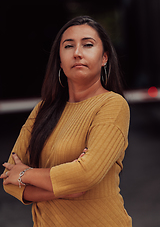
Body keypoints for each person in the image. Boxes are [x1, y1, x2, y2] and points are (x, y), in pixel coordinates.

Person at [0, 16, 132, 226]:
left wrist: (25, 173)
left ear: (104, 57)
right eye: (69, 46)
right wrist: (65, 186)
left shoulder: (112, 105)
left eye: (88, 45)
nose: (77, 53)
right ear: (60, 61)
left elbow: (85, 175)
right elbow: (9, 179)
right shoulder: (43, 110)